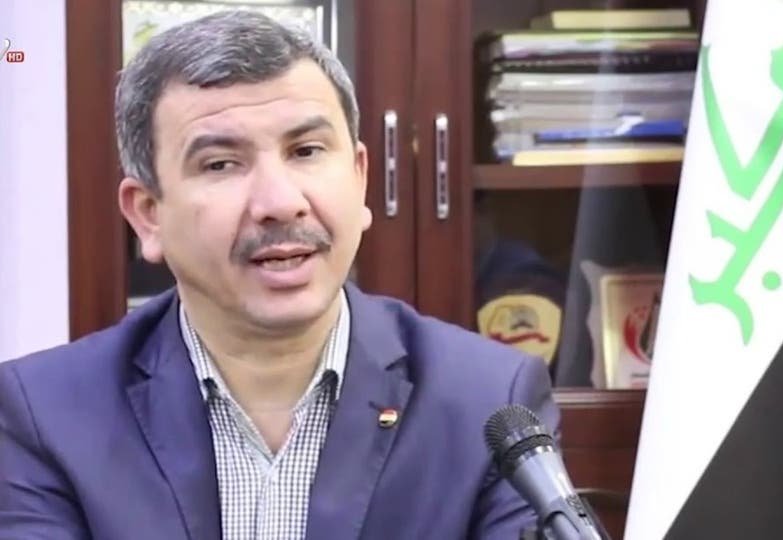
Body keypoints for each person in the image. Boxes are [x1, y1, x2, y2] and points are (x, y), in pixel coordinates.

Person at [0, 11, 559, 540]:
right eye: (221, 164)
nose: (280, 202)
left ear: (360, 178)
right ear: (149, 215)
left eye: (307, 151)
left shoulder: (489, 401)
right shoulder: (45, 415)